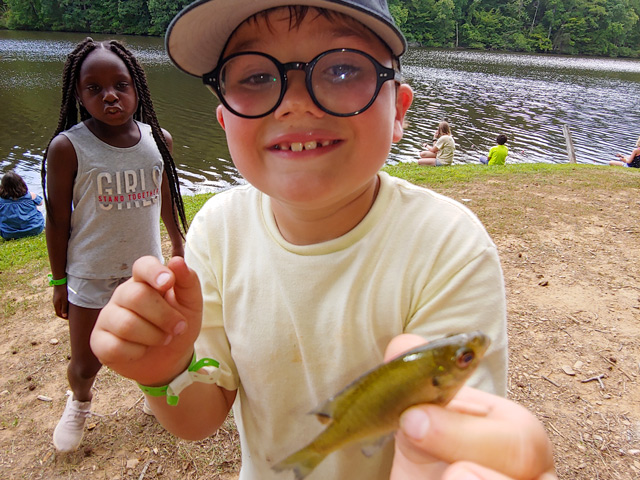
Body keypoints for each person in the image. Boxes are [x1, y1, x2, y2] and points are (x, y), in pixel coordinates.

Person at [90, 1, 557, 479]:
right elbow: (199, 417)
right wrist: (164, 370)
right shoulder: (217, 231)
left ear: (397, 111)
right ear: (226, 121)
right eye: (255, 77)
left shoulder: (450, 248)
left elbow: (450, 450)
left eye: (339, 68)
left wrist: (440, 461)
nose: (296, 102)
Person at [41, 37, 188, 453]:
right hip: (90, 273)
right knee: (87, 360)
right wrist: (58, 280)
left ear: (136, 87)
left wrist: (178, 243)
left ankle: (152, 393)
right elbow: (57, 221)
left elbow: (165, 196)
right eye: (94, 88)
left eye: (120, 84)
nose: (110, 96)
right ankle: (80, 402)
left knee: (148, 343)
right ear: (78, 94)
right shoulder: (68, 148)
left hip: (144, 269)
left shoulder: (159, 139)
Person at [0, 171, 45, 240]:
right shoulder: (30, 196)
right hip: (35, 229)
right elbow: (41, 203)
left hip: (8, 234)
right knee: (35, 206)